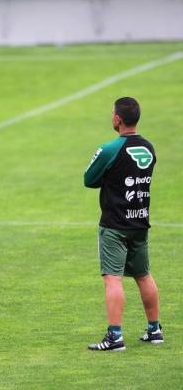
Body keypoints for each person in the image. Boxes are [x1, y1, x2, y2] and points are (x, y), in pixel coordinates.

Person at [84, 97, 163, 351]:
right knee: (143, 275)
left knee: (113, 279)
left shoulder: (110, 149)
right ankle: (154, 330)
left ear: (118, 118)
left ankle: (115, 336)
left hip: (115, 224)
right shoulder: (149, 147)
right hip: (140, 221)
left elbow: (89, 179)